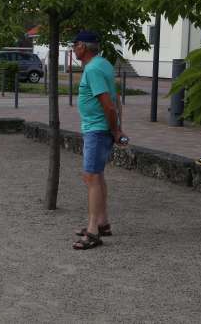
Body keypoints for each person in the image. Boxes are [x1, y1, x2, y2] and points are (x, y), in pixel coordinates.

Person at [72, 31, 127, 250]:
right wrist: (118, 128)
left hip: (97, 130)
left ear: (83, 47)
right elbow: (117, 99)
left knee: (91, 177)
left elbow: (109, 105)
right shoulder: (103, 64)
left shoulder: (93, 69)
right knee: (98, 175)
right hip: (99, 129)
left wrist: (115, 131)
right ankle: (103, 222)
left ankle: (93, 230)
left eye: (74, 45)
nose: (73, 49)